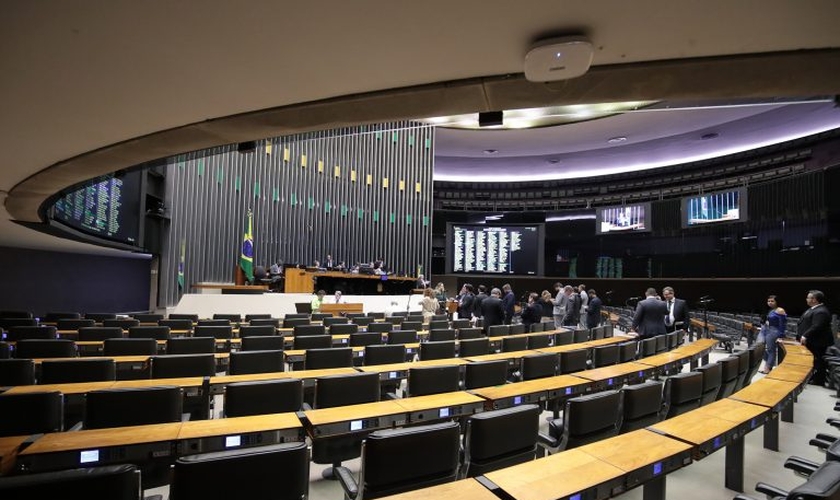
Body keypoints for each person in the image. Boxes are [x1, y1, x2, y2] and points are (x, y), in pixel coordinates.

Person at [796, 290, 833, 386]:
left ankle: (818, 381)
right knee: (812, 360)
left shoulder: (821, 311)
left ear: (814, 299)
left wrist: (805, 335)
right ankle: (812, 377)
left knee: (818, 360)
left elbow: (817, 326)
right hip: (812, 341)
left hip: (817, 342)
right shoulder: (813, 309)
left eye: (808, 297)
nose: (806, 299)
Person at [757, 295, 787, 374]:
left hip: (773, 331)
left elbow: (782, 324)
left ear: (777, 302)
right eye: (768, 301)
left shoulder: (780, 310)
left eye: (772, 301)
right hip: (765, 330)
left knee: (771, 350)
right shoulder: (769, 310)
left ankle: (767, 367)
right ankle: (770, 363)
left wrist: (780, 336)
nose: (770, 302)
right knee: (759, 347)